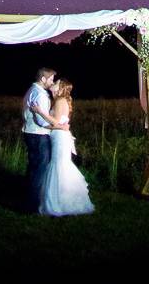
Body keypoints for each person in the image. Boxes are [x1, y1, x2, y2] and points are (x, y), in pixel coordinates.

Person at [30, 78, 95, 216]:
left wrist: (39, 111)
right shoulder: (58, 100)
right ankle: (60, 201)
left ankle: (59, 203)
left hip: (60, 138)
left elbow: (54, 121)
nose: (53, 83)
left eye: (56, 82)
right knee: (59, 165)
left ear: (60, 88)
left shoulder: (60, 101)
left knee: (59, 166)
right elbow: (57, 124)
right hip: (58, 136)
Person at [21, 67, 68, 214]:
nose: (52, 81)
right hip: (38, 135)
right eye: (51, 79)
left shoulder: (32, 90)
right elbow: (41, 122)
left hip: (32, 133)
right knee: (39, 171)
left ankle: (29, 201)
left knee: (34, 168)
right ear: (43, 79)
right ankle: (32, 206)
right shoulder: (40, 94)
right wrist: (59, 127)